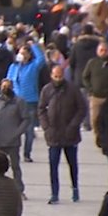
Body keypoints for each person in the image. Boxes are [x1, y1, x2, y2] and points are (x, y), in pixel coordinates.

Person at [38, 66, 87, 204]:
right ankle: (54, 193)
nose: (58, 79)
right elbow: (41, 109)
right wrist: (46, 127)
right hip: (53, 134)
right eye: (56, 76)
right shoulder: (47, 90)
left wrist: (73, 125)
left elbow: (82, 108)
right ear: (51, 75)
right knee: (53, 165)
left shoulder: (73, 89)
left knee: (73, 164)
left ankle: (75, 189)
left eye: (60, 76)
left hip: (70, 134)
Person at [0, 78, 30, 198]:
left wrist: (17, 133)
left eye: (8, 86)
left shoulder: (19, 102)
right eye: (3, 86)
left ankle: (19, 190)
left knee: (15, 167)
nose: (5, 89)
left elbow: (26, 119)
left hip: (13, 141)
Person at [6, 41, 45, 162]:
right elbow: (8, 81)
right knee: (13, 128)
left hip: (30, 100)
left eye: (24, 53)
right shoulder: (13, 67)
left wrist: (33, 45)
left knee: (28, 129)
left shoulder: (33, 66)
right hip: (15, 101)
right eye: (20, 53)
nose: (21, 55)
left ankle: (27, 153)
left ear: (28, 55)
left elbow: (41, 59)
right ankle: (12, 151)